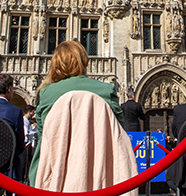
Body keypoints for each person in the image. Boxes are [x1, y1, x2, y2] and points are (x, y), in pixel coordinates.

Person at [29, 40, 122, 184]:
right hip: (98, 174)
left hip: (53, 175)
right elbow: (119, 133)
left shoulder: (46, 93)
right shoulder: (106, 90)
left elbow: (44, 137)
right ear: (84, 61)